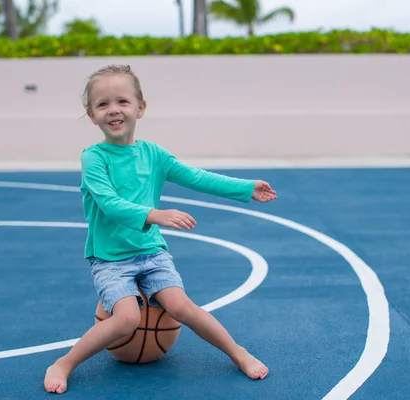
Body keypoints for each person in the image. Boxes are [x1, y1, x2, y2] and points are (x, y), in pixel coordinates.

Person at [44, 64, 277, 394]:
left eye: (122, 101)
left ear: (140, 107)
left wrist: (244, 188)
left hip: (151, 252)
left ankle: (237, 353)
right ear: (91, 114)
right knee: (127, 318)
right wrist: (156, 214)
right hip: (110, 258)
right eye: (102, 104)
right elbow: (110, 204)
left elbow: (197, 177)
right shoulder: (94, 158)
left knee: (181, 306)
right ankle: (63, 363)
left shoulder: (153, 154)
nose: (113, 110)